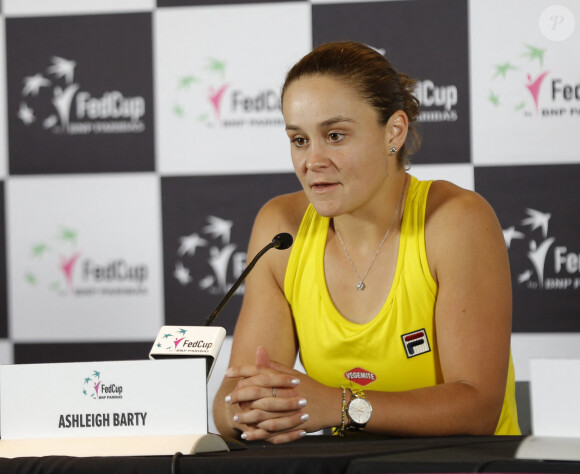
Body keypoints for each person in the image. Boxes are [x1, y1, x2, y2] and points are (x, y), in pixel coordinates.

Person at [213, 41, 520, 444]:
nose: (312, 161)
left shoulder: (456, 221)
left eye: (335, 135)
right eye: (299, 140)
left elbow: (478, 408)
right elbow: (231, 404)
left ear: (394, 131)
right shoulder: (280, 227)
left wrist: (341, 405)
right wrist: (250, 413)